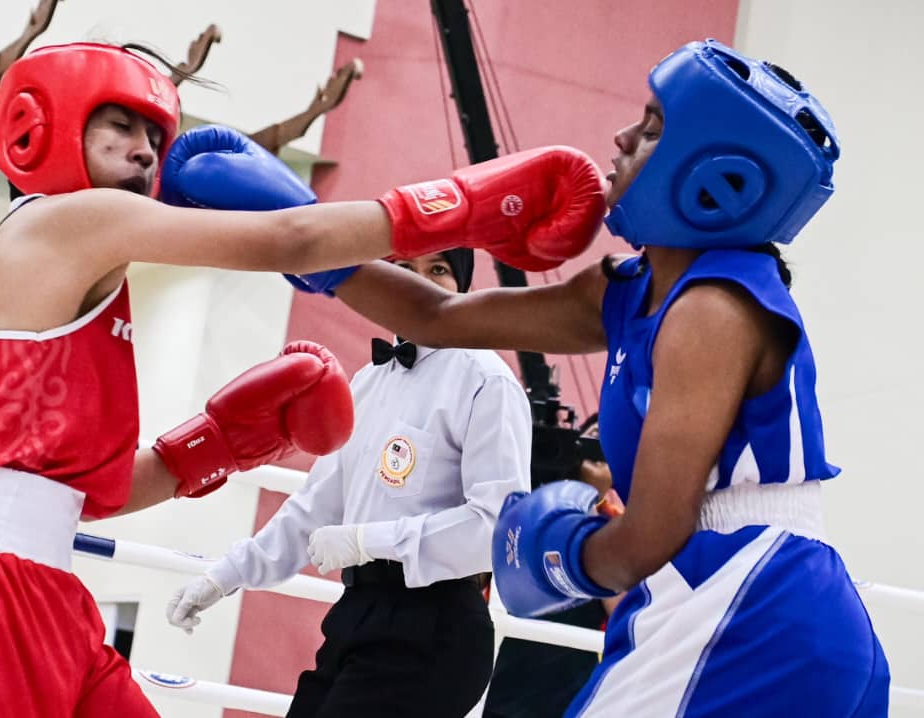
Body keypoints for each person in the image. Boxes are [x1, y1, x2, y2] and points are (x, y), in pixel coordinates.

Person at [0, 42, 607, 717]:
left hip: (47, 590)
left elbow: (89, 494)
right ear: (37, 127)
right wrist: (460, 206)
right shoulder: (61, 223)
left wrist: (216, 444)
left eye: (154, 134)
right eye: (120, 126)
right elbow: (292, 241)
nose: (145, 150)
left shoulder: (79, 273)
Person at [284, 39, 889, 716]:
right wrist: (290, 221)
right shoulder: (628, 292)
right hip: (744, 602)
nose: (622, 136)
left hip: (745, 601)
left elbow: (647, 536)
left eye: (653, 128)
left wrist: (558, 554)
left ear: (716, 175)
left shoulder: (712, 309)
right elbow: (437, 316)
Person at [166, 248, 532, 718]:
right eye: (404, 269)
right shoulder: (367, 382)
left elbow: (496, 528)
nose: (419, 281)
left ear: (462, 284)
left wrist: (367, 540)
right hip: (356, 612)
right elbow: (315, 507)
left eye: (438, 269)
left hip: (435, 627)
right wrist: (225, 576)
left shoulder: (486, 381)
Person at [482, 414, 620, 718]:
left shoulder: (613, 524)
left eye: (607, 444)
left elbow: (623, 608)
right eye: (593, 435)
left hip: (562, 685)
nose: (598, 446)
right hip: (499, 673)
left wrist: (591, 505)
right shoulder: (519, 507)